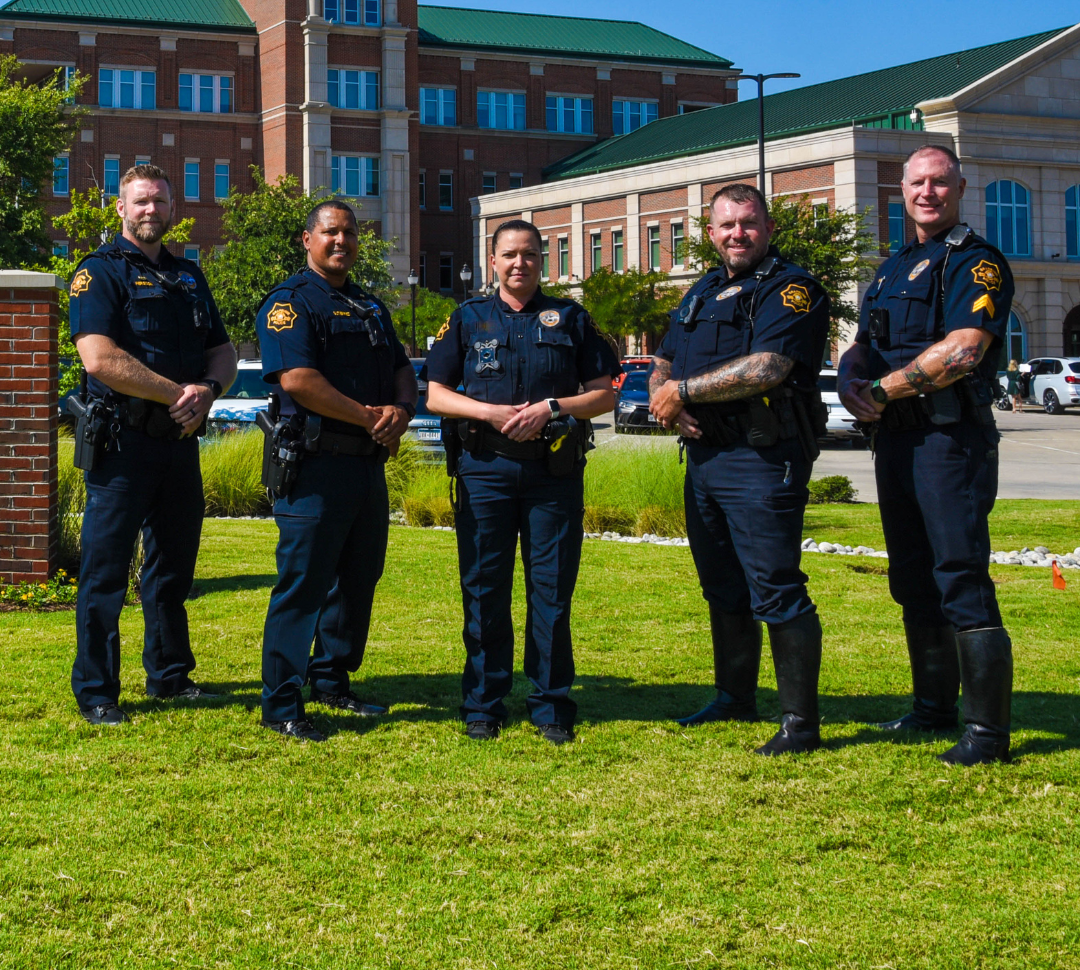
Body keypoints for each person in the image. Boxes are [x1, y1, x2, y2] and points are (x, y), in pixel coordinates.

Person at [837, 144, 1015, 766]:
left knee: (959, 574)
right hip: (897, 440)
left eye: (940, 182)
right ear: (902, 189)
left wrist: (882, 390)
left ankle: (987, 733)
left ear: (961, 186)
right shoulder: (893, 267)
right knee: (913, 579)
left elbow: (965, 348)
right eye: (917, 182)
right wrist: (848, 375)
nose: (928, 192)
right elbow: (866, 343)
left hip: (947, 440)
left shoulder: (975, 262)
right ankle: (932, 709)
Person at [649, 184, 830, 756]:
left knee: (775, 587)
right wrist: (669, 405)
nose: (737, 233)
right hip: (704, 457)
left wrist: (680, 392)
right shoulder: (700, 292)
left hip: (761, 457)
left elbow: (768, 366)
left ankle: (799, 723)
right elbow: (661, 362)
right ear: (709, 233)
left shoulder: (791, 289)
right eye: (725, 224)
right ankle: (734, 698)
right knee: (722, 587)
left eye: (748, 223)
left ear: (768, 228)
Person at [424, 219, 619, 744]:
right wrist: (487, 413)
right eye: (509, 255)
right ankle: (484, 703)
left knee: (551, 592)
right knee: (484, 590)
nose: (519, 264)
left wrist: (552, 407)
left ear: (542, 260)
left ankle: (551, 703)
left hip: (551, 473)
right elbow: (436, 394)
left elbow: (605, 395)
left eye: (530, 255)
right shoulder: (467, 319)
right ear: (492, 261)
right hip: (484, 470)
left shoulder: (572, 319)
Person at [68, 164, 237, 725]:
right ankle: (97, 691)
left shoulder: (190, 275)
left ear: (173, 209)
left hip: (178, 444)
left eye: (160, 202)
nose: (151, 211)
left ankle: (169, 675)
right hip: (123, 444)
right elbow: (99, 357)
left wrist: (208, 391)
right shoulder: (100, 273)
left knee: (172, 569)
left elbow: (223, 351)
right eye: (140, 202)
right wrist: (177, 394)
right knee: (106, 572)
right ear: (121, 208)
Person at [256, 201, 416, 742]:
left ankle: (332, 679)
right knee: (302, 587)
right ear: (308, 239)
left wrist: (401, 412)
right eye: (331, 232)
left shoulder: (370, 305)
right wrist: (370, 417)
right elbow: (298, 380)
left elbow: (401, 367)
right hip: (315, 467)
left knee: (357, 581)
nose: (341, 241)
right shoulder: (291, 303)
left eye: (349, 232)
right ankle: (281, 703)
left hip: (366, 468)